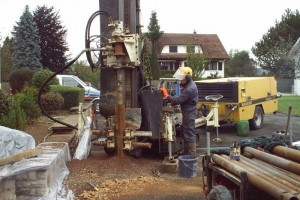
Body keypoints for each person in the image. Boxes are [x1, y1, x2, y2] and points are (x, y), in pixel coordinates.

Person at [159, 67, 198, 155]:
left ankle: (192, 154)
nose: (181, 80)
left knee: (189, 132)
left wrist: (166, 95)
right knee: (184, 130)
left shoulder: (189, 88)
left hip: (189, 112)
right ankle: (186, 152)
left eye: (182, 78)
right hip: (188, 111)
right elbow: (181, 99)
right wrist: (174, 101)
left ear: (187, 77)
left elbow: (179, 99)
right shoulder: (188, 85)